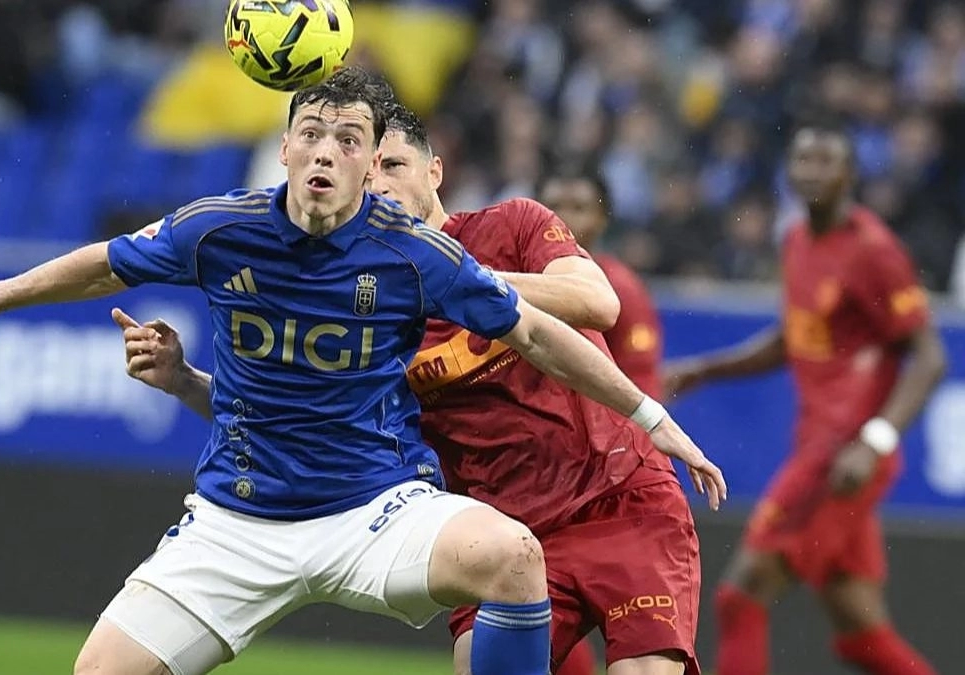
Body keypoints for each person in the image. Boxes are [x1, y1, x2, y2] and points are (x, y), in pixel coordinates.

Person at [0, 68, 724, 675]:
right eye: (313, 135)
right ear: (286, 146)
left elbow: (561, 325)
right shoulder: (220, 229)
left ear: (376, 163)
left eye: (352, 141)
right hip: (237, 519)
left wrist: (654, 420)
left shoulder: (426, 255)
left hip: (376, 509)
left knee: (511, 558)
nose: (328, 153)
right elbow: (108, 265)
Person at [117, 102, 714, 675]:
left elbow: (595, 300)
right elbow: (279, 421)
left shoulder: (513, 225)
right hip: (501, 535)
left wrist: (446, 277)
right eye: (369, 174)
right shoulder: (355, 303)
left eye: (396, 167)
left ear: (436, 171)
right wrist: (185, 380)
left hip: (619, 501)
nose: (381, 185)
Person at [665, 121, 947, 675]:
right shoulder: (796, 240)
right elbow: (795, 338)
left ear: (849, 174)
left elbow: (930, 357)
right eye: (802, 160)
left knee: (740, 596)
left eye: (825, 162)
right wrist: (704, 370)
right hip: (822, 446)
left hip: (843, 457)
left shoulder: (874, 251)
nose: (811, 172)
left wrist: (874, 440)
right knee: (860, 630)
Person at [538, 166, 664, 399]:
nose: (562, 218)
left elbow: (642, 389)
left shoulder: (622, 290)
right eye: (552, 206)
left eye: (579, 208)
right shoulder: (511, 282)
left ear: (602, 219)